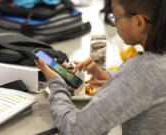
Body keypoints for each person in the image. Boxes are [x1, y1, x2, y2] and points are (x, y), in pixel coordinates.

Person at [35, 0, 166, 134]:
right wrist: (114, 78)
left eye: (115, 17)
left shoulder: (140, 72)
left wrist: (56, 83)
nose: (114, 23)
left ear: (139, 22)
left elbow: (76, 129)